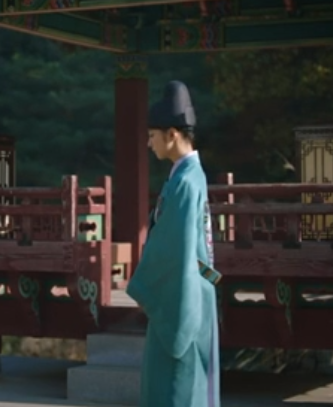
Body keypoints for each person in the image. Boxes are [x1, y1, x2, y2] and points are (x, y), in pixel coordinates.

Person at [126, 80, 221, 407]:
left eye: (152, 135)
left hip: (182, 300)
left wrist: (145, 285)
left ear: (172, 134)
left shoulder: (184, 182)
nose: (148, 143)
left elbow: (173, 250)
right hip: (194, 292)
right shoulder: (189, 176)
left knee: (175, 388)